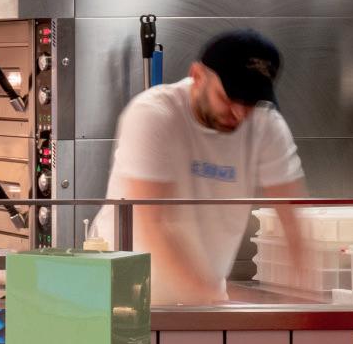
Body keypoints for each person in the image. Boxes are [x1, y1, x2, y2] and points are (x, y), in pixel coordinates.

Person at [105, 28, 311, 305]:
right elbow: (153, 225)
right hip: (124, 298)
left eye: (250, 102)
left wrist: (303, 300)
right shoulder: (154, 114)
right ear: (197, 75)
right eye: (229, 97)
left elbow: (293, 217)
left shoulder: (265, 125)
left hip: (203, 301)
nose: (239, 113)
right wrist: (213, 299)